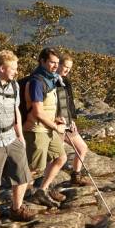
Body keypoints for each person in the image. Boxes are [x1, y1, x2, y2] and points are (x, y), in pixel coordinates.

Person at [0, 50, 36, 223]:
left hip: (12, 136)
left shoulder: (14, 86)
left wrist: (20, 136)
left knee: (22, 175)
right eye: (13, 68)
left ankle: (16, 209)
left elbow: (16, 111)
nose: (16, 72)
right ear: (2, 68)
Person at [23, 47, 69, 208]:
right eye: (52, 62)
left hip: (48, 127)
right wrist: (57, 128)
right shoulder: (37, 81)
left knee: (60, 157)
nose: (55, 66)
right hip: (37, 130)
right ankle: (21, 199)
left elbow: (46, 108)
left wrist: (56, 119)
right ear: (42, 61)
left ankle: (41, 190)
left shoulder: (51, 79)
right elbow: (37, 113)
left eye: (57, 63)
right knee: (34, 168)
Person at [57, 54, 90, 186]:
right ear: (58, 64)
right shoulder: (50, 81)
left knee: (82, 148)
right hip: (56, 124)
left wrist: (72, 120)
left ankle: (76, 176)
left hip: (67, 122)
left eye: (69, 68)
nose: (67, 70)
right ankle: (44, 186)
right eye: (65, 66)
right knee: (55, 158)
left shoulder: (66, 81)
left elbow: (68, 103)